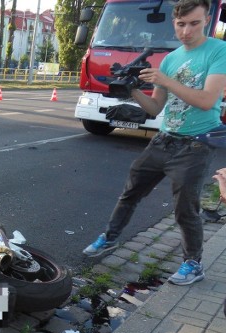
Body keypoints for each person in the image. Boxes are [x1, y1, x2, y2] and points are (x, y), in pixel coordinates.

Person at [83, 0, 226, 286]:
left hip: (195, 145)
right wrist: (133, 90)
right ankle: (110, 238)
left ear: (207, 20)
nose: (186, 31)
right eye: (181, 24)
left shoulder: (218, 51)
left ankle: (193, 263)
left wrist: (165, 80)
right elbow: (155, 108)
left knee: (185, 208)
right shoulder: (171, 59)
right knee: (130, 192)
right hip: (164, 140)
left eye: (194, 24)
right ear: (174, 22)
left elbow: (207, 100)